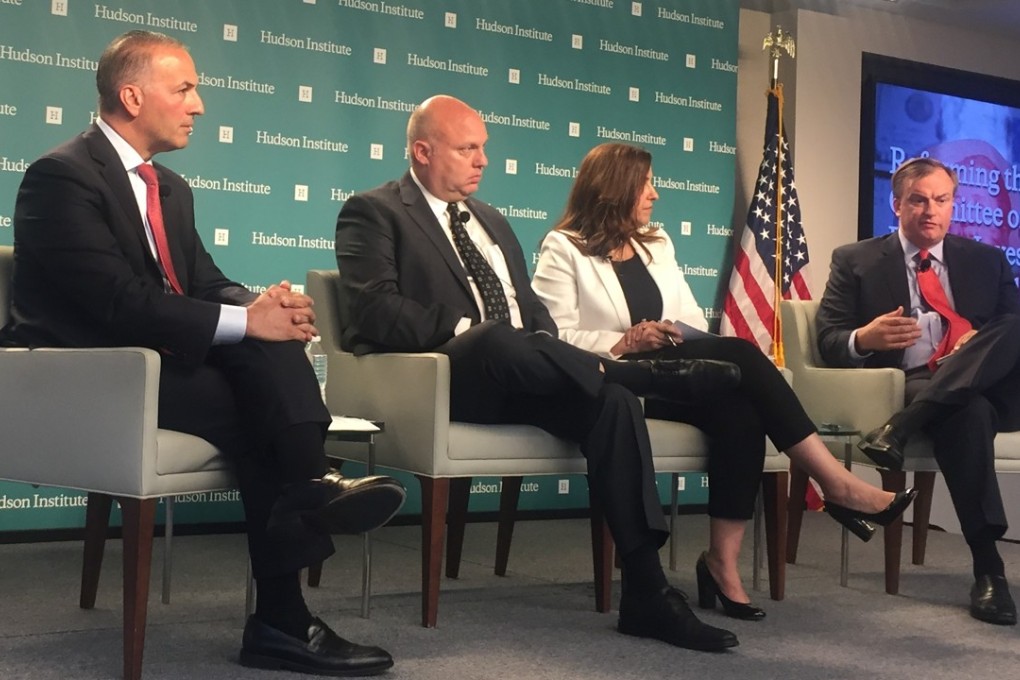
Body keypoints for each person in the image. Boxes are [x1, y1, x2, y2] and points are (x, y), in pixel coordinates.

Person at [0, 30, 407, 675]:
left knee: (266, 351)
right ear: (133, 96)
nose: (199, 105)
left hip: (159, 361)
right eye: (185, 88)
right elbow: (116, 302)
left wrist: (263, 307)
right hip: (90, 372)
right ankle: (296, 557)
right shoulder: (61, 176)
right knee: (258, 396)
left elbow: (207, 282)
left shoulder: (169, 187)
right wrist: (248, 321)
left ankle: (305, 509)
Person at [335, 94, 750, 652]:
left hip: (526, 374)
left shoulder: (490, 219)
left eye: (484, 147)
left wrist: (540, 346)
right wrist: (468, 329)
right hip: (443, 381)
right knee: (494, 335)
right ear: (423, 151)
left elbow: (532, 312)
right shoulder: (373, 211)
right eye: (467, 149)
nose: (483, 160)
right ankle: (639, 376)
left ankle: (647, 592)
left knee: (610, 404)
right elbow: (374, 310)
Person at [531, 142, 916, 621]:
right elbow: (552, 337)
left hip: (672, 371)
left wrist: (672, 332)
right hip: (617, 380)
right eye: (645, 184)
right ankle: (834, 480)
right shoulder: (563, 247)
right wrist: (624, 341)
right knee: (741, 354)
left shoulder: (656, 243)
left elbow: (691, 316)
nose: (654, 194)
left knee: (742, 410)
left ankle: (722, 563)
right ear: (615, 188)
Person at [816, 156, 1020, 626]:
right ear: (897, 205)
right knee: (967, 412)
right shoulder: (856, 260)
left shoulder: (987, 260)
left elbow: (1011, 331)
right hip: (919, 381)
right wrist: (865, 338)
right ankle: (989, 568)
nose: (931, 211)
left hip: (993, 385)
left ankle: (901, 428)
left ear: (953, 205)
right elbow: (828, 339)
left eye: (941, 200)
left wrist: (977, 344)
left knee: (1011, 326)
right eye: (919, 200)